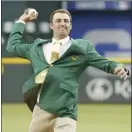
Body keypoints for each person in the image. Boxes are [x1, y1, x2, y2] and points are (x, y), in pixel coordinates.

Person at [6, 8, 129, 132]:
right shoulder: (37, 47)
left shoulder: (82, 48)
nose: (62, 23)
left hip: (66, 111)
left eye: (66, 21)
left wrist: (116, 67)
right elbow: (12, 47)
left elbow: (103, 62)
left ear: (70, 26)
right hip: (41, 110)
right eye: (58, 20)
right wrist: (22, 20)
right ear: (51, 25)